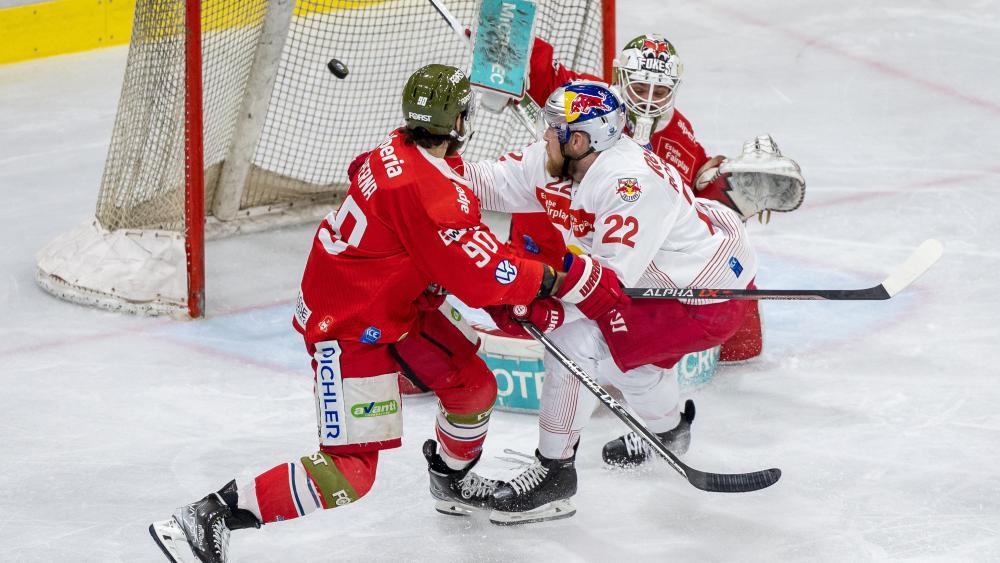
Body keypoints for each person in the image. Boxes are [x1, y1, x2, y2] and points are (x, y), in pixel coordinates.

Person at [148, 65, 622, 562]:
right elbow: (483, 275)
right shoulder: (431, 193)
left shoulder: (398, 151)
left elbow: (427, 237)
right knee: (350, 471)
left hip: (394, 307)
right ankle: (209, 515)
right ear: (459, 122)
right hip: (348, 328)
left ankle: (451, 482)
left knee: (473, 388)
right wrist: (555, 281)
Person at [461, 81, 758, 524]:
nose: (545, 135)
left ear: (578, 139)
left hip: (701, 298)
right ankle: (669, 433)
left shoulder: (629, 184)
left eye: (553, 128)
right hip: (659, 274)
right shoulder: (563, 158)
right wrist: (421, 182)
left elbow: (607, 286)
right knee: (631, 365)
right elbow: (496, 182)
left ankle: (554, 473)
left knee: (574, 338)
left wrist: (540, 303)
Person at [511, 33, 805, 364]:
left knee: (742, 346)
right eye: (639, 88)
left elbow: (690, 207)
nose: (649, 100)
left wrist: (717, 185)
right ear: (621, 79)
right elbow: (539, 73)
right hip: (565, 225)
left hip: (620, 245)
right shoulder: (589, 99)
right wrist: (505, 40)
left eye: (660, 91)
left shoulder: (679, 134)